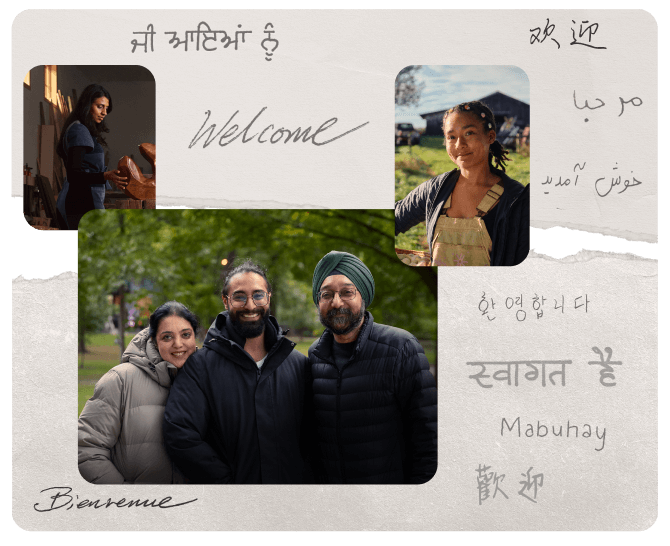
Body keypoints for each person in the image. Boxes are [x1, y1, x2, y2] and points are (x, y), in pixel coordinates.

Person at [162, 260, 312, 484]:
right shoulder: (200, 366)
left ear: (269, 297)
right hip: (228, 504)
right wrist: (227, 483)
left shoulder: (298, 365)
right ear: (226, 301)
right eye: (240, 296)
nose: (250, 305)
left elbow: (314, 438)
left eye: (258, 295)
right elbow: (181, 435)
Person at [308, 250, 437, 484]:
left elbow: (428, 436)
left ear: (363, 296)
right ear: (319, 301)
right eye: (326, 294)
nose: (336, 302)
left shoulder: (401, 348)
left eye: (347, 292)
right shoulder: (315, 356)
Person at [395, 100, 529, 266]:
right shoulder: (435, 190)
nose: (459, 145)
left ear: (490, 136)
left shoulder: (516, 199)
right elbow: (394, 217)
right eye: (451, 137)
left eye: (469, 133)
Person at [78, 301, 199, 484]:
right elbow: (86, 450)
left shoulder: (207, 381)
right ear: (153, 340)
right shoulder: (119, 381)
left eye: (186, 335)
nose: (178, 344)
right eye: (167, 337)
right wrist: (127, 499)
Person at [55, 83, 128, 230]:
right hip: (79, 203)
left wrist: (108, 176)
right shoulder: (79, 130)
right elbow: (74, 175)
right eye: (100, 106)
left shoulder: (81, 129)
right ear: (87, 105)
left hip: (82, 200)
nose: (104, 112)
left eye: (106, 108)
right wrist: (106, 175)